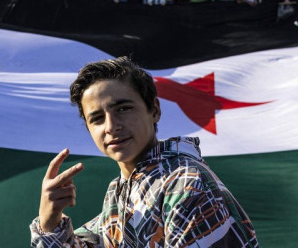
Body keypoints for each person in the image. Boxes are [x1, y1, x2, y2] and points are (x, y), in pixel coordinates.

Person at [30, 57, 259, 247]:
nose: (111, 126)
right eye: (97, 118)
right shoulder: (119, 192)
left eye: (123, 109)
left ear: (154, 110)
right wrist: (49, 222)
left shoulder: (186, 185)